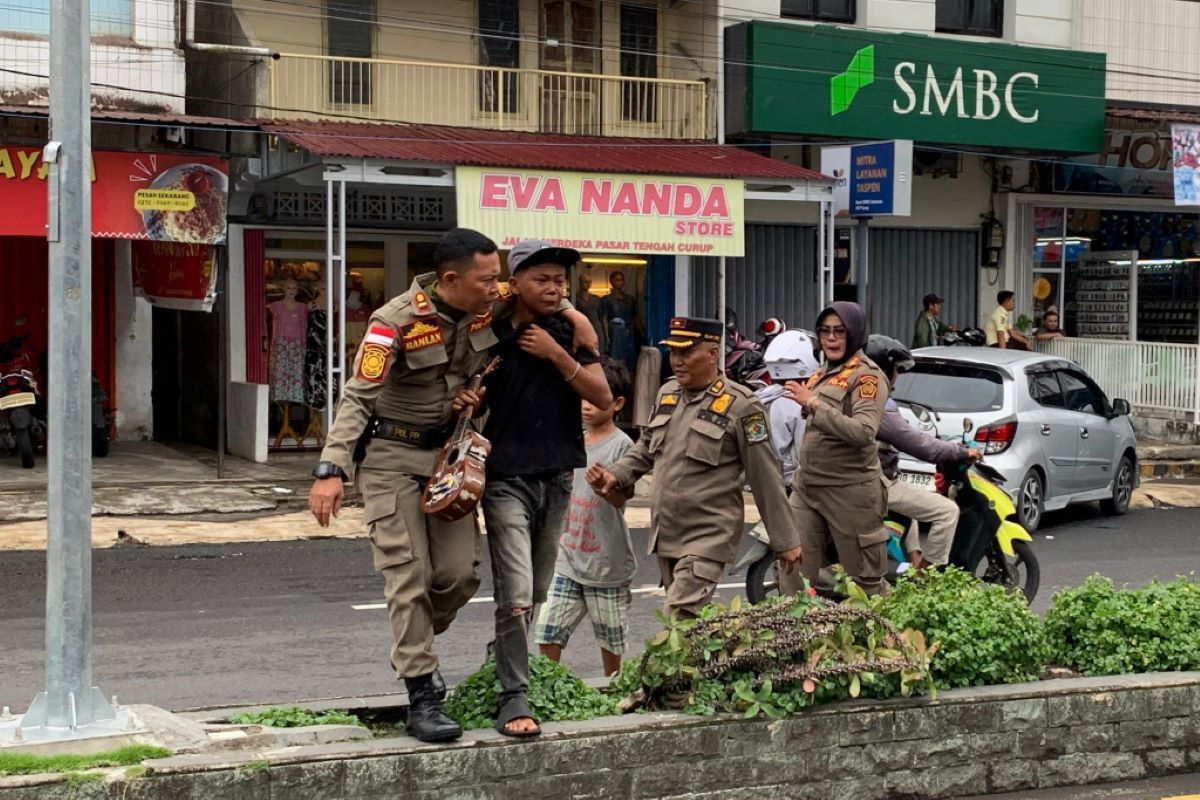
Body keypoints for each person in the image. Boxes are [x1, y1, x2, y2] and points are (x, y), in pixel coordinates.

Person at [306, 227, 502, 744]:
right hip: (392, 459)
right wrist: (331, 469)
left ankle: (409, 635)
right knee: (407, 575)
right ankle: (423, 694)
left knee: (458, 577)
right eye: (486, 280)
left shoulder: (487, 302)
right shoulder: (392, 322)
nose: (495, 287)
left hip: (449, 458)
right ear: (450, 279)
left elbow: (534, 295)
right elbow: (357, 399)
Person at [477, 238, 612, 739]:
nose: (555, 288)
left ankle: (502, 656)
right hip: (503, 477)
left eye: (561, 280)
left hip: (557, 474)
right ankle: (514, 694)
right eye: (543, 279)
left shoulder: (568, 332)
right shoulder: (487, 331)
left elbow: (602, 396)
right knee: (514, 593)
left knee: (534, 590)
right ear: (516, 284)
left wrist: (560, 354)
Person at [587, 316, 803, 619]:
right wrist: (617, 474)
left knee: (680, 617)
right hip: (668, 533)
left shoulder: (741, 405)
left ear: (713, 354)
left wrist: (785, 540)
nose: (677, 361)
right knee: (690, 629)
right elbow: (646, 448)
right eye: (674, 353)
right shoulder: (668, 393)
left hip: (709, 535)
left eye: (687, 352)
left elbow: (765, 476)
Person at [781, 302, 891, 597]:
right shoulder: (821, 373)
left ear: (854, 334)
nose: (831, 338)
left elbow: (864, 432)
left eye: (839, 332)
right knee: (792, 571)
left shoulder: (867, 377)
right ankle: (795, 640)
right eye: (825, 331)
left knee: (865, 585)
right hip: (807, 488)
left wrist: (813, 403)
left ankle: (893, 638)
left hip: (850, 491)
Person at [534, 359, 635, 678]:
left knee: (610, 638)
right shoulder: (569, 440)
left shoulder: (623, 446)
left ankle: (613, 687)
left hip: (607, 565)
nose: (586, 406)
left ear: (617, 403)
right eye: (582, 397)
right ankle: (547, 686)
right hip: (566, 558)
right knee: (548, 630)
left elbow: (622, 499)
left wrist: (605, 487)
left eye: (596, 399)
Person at [865, 335, 980, 569]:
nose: (897, 376)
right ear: (885, 369)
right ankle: (925, 577)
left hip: (866, 479)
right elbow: (920, 445)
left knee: (913, 503)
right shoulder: (878, 405)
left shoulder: (857, 394)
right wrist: (959, 452)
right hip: (874, 483)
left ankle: (914, 560)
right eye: (896, 369)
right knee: (947, 511)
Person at [754, 329, 820, 486]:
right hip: (790, 485)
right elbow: (804, 455)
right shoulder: (798, 403)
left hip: (763, 479)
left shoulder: (762, 396)